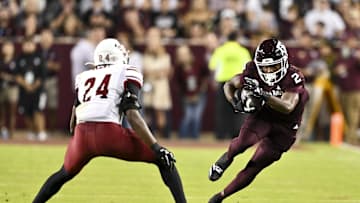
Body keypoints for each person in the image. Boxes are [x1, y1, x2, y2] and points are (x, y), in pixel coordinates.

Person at [33, 38, 186, 203]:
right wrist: (156, 147)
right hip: (110, 134)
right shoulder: (127, 71)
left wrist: (78, 143)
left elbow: (74, 117)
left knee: (63, 174)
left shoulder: (84, 77)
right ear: (116, 55)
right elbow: (132, 115)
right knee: (164, 160)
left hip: (82, 136)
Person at [208, 38, 309, 203]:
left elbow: (288, 106)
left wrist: (262, 94)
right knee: (242, 143)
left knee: (254, 167)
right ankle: (227, 157)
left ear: (283, 62)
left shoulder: (294, 76)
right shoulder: (252, 70)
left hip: (286, 126)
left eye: (274, 66)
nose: (269, 71)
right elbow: (229, 84)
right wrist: (235, 103)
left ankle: (220, 197)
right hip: (263, 117)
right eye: (265, 67)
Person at [208, 31, 251, 140]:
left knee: (222, 110)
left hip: (223, 82)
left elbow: (212, 66)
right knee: (238, 110)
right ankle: (236, 134)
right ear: (237, 39)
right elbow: (248, 69)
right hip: (237, 83)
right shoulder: (242, 51)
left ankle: (221, 134)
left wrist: (213, 80)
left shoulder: (220, 50)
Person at [15, 37, 47, 141]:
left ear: (34, 45)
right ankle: (31, 131)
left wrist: (33, 86)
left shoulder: (39, 57)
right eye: (26, 44)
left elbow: (42, 75)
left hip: (38, 91)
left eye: (30, 44)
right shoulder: (19, 58)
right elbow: (17, 75)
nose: (28, 46)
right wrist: (26, 85)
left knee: (38, 111)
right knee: (26, 112)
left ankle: (41, 132)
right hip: (24, 91)